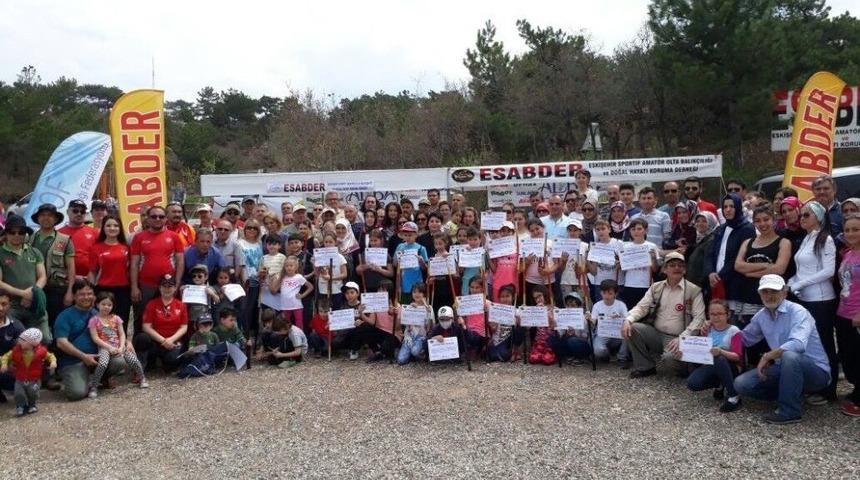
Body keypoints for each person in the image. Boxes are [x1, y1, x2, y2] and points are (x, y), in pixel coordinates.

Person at [733, 275, 831, 424]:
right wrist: (718, 330)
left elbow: (798, 344)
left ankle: (790, 411)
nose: (769, 295)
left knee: (790, 356)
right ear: (759, 294)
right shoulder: (761, 316)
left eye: (774, 291)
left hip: (816, 372)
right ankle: (790, 393)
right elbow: (744, 339)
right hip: (784, 370)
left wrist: (767, 356)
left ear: (784, 292)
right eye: (765, 291)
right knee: (741, 383)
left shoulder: (798, 311)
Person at [622, 251, 706, 378]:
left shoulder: (693, 290)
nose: (677, 268)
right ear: (665, 269)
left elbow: (699, 318)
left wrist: (682, 338)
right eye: (672, 265)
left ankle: (685, 367)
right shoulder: (656, 287)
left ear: (684, 270)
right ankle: (646, 367)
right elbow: (642, 307)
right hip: (656, 334)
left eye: (680, 265)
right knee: (631, 328)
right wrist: (628, 320)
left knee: (669, 360)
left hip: (680, 337)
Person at [787, 200, 838, 403]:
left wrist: (800, 284)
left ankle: (830, 389)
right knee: (812, 343)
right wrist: (792, 283)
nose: (802, 218)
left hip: (821, 299)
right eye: (802, 215)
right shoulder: (808, 239)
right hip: (806, 298)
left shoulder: (826, 239)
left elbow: (828, 271)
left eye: (806, 215)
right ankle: (816, 384)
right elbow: (801, 269)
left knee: (825, 343)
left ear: (818, 217)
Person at [733, 205, 792, 363]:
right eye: (757, 221)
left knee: (772, 340)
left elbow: (780, 268)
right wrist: (767, 267)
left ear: (773, 220)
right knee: (750, 339)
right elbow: (738, 265)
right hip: (748, 297)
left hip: (771, 298)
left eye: (766, 219)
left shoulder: (783, 242)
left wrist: (750, 272)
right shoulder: (748, 242)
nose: (762, 224)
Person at [54, 279, 125, 401]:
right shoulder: (64, 316)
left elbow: (114, 332)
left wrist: (127, 343)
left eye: (89, 294)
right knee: (76, 394)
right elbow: (61, 343)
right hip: (74, 361)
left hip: (99, 357)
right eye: (82, 294)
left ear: (94, 296)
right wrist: (83, 356)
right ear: (74, 296)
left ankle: (100, 378)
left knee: (119, 361)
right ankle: (83, 379)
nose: (86, 297)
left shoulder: (99, 313)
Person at [130, 205, 184, 332]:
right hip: (146, 286)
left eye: (161, 216)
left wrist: (177, 283)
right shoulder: (139, 237)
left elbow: (180, 261)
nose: (157, 219)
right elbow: (134, 263)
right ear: (147, 219)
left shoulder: (174, 236)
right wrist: (134, 287)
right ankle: (139, 349)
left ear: (166, 219)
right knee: (142, 318)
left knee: (168, 318)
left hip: (168, 285)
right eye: (154, 216)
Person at [686, 299, 744, 412]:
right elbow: (702, 349)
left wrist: (721, 351)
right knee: (692, 383)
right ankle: (720, 384)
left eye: (720, 314)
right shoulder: (707, 329)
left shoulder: (735, 331)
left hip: (732, 367)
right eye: (712, 314)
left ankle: (734, 396)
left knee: (719, 358)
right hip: (711, 364)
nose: (716, 317)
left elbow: (738, 357)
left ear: (728, 314)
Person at [86, 291, 147, 397]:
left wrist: (122, 346)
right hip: (104, 348)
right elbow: (95, 338)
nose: (106, 307)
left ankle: (142, 378)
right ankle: (94, 386)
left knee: (133, 360)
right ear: (97, 304)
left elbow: (122, 334)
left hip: (119, 346)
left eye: (109, 305)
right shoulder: (94, 320)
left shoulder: (116, 318)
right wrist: (109, 347)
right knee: (102, 364)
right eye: (103, 304)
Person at [0, 214, 49, 341]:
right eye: (12, 232)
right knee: (15, 340)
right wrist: (23, 294)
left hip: (35, 303)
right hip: (11, 306)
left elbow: (42, 276)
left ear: (25, 234)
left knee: (44, 339)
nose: (17, 235)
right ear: (6, 233)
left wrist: (32, 293)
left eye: (21, 232)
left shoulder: (35, 252)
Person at [29, 203, 75, 326]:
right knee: (36, 320)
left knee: (56, 321)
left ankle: (55, 345)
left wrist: (70, 291)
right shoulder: (29, 239)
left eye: (50, 215)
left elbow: (71, 268)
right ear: (38, 218)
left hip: (57, 289)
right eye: (43, 215)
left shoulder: (65, 240)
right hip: (35, 288)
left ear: (55, 219)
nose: (46, 218)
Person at [706, 194, 756, 306]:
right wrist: (710, 272)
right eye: (725, 207)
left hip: (735, 284)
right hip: (716, 283)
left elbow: (739, 256)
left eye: (731, 206)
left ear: (738, 207)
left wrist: (720, 276)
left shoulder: (747, 229)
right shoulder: (721, 228)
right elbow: (710, 253)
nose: (728, 210)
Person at [134, 274, 187, 372]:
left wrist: (171, 340)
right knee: (142, 338)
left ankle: (165, 362)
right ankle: (141, 368)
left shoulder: (181, 305)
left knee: (173, 360)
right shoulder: (152, 304)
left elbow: (184, 327)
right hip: (156, 341)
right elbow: (146, 327)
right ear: (159, 288)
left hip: (173, 342)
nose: (167, 289)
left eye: (170, 286)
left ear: (175, 288)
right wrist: (163, 341)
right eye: (164, 286)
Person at [87, 215, 132, 326]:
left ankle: (122, 343)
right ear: (103, 228)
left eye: (116, 226)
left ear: (120, 228)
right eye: (108, 225)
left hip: (123, 290)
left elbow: (131, 269)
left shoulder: (126, 247)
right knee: (104, 323)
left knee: (121, 321)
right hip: (103, 290)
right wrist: (92, 293)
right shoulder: (96, 248)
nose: (112, 228)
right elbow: (92, 272)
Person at [0, 328, 55, 417]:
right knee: (18, 393)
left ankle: (32, 404)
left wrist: (53, 362)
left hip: (34, 379)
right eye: (20, 339)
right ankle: (21, 406)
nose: (19, 341)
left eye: (23, 340)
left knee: (33, 393)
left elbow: (50, 356)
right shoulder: (15, 350)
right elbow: (5, 356)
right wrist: (4, 364)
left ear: (32, 343)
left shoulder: (41, 351)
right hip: (20, 378)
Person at [836, 213, 860, 416]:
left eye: (856, 229)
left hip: (857, 314)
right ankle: (856, 389)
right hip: (843, 310)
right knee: (849, 355)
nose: (851, 233)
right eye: (848, 230)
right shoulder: (849, 254)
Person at [547, 292, 592, 364]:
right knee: (551, 339)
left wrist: (575, 334)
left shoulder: (584, 318)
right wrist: (554, 327)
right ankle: (568, 355)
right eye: (568, 305)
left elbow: (587, 337)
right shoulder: (563, 316)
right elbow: (559, 334)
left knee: (572, 340)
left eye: (573, 305)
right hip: (568, 341)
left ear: (579, 306)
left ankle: (581, 357)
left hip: (582, 345)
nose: (570, 308)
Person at [591, 280, 628, 364]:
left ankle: (622, 357)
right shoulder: (597, 305)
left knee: (629, 331)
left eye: (610, 293)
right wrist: (589, 319)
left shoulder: (621, 305)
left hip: (618, 334)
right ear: (601, 293)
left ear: (615, 294)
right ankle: (607, 355)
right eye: (604, 293)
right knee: (598, 350)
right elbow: (593, 322)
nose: (607, 296)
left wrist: (620, 317)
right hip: (602, 334)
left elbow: (628, 319)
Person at [58, 199, 99, 278]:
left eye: (82, 212)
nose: (79, 214)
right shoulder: (59, 233)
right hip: (65, 280)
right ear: (67, 212)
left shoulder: (94, 233)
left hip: (89, 280)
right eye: (75, 211)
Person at [272, 256, 313, 331]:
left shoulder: (299, 277)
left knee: (299, 324)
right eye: (287, 266)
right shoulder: (282, 277)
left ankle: (300, 340)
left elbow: (310, 287)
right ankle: (287, 339)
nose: (289, 268)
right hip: (285, 306)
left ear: (296, 267)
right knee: (285, 323)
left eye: (291, 266)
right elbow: (274, 290)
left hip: (296, 305)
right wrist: (274, 278)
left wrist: (302, 295)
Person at [0, 289, 26, 403]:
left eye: (4, 304)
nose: (0, 308)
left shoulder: (16, 326)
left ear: (10, 305)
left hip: (8, 367)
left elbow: (27, 349)